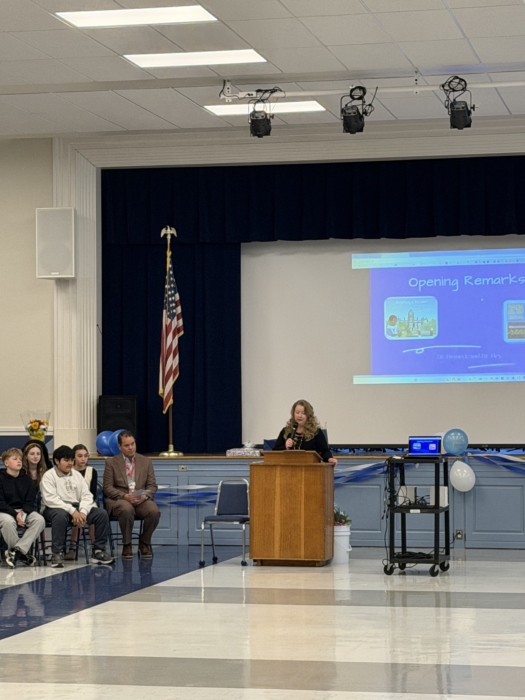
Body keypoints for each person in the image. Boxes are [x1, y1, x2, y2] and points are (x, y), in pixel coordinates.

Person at [40, 445, 114, 568]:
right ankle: (57, 553)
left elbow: (87, 495)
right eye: (66, 460)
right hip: (54, 508)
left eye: (71, 460)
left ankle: (98, 551)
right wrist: (73, 511)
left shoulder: (76, 475)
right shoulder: (49, 476)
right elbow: (51, 499)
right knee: (60, 516)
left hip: (77, 508)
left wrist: (83, 512)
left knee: (101, 514)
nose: (70, 463)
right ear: (57, 461)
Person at [103, 431, 160, 559]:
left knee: (154, 511)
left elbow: (152, 486)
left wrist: (145, 496)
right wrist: (124, 496)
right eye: (127, 445)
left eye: (133, 444)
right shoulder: (111, 462)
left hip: (141, 498)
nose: (131, 448)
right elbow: (107, 487)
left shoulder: (146, 461)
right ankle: (127, 544)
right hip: (120, 499)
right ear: (119, 447)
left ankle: (144, 543)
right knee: (126, 509)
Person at [0, 448, 45, 568]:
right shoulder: (1, 478)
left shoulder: (27, 479)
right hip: (5, 511)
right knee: (8, 522)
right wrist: (16, 515)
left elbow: (30, 502)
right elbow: (0, 503)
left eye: (20, 459)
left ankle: (17, 551)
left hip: (23, 511)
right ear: (6, 463)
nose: (19, 461)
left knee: (39, 520)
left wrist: (23, 514)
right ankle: (22, 555)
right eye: (15, 459)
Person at [273, 400, 338, 465]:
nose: (299, 416)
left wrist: (329, 459)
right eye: (297, 412)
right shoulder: (286, 431)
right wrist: (285, 446)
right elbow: (274, 452)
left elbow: (324, 451)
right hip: (288, 468)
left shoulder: (316, 432)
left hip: (310, 468)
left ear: (308, 415)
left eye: (303, 413)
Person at [64, 444, 98, 561]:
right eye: (80, 456)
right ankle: (72, 547)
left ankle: (95, 547)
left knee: (94, 514)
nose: (83, 459)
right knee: (77, 514)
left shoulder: (91, 471)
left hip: (88, 502)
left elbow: (93, 494)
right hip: (72, 502)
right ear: (73, 457)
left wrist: (85, 506)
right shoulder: (69, 471)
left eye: (85, 456)